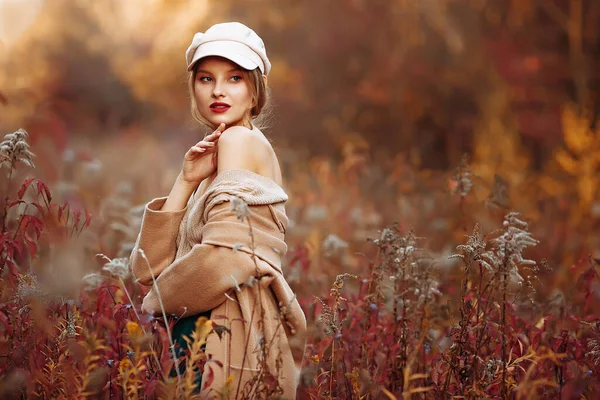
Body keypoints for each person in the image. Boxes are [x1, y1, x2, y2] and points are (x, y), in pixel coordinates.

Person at [129, 22, 307, 399]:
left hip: (225, 335)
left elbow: (224, 260)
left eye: (235, 78)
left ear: (255, 90)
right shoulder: (220, 153)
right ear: (193, 88)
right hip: (212, 330)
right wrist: (185, 180)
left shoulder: (239, 141)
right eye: (206, 78)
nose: (219, 90)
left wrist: (157, 302)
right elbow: (147, 266)